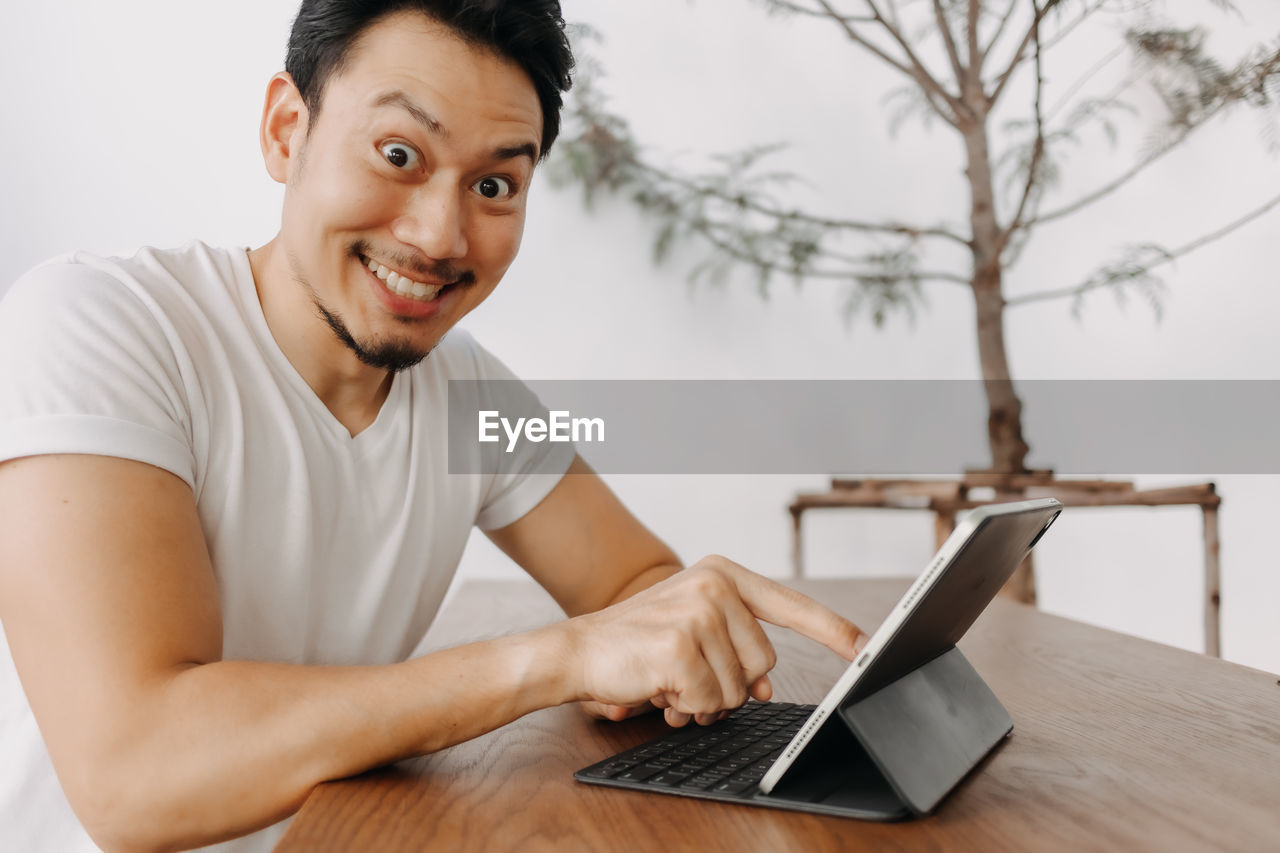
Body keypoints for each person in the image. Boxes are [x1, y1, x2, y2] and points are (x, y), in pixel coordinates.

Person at [0, 2, 867, 850]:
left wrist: (671, 634)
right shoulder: (96, 326)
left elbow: (630, 584)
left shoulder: (470, 396)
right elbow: (134, 773)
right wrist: (558, 658)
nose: (440, 234)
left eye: (494, 184)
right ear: (284, 129)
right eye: (399, 154)